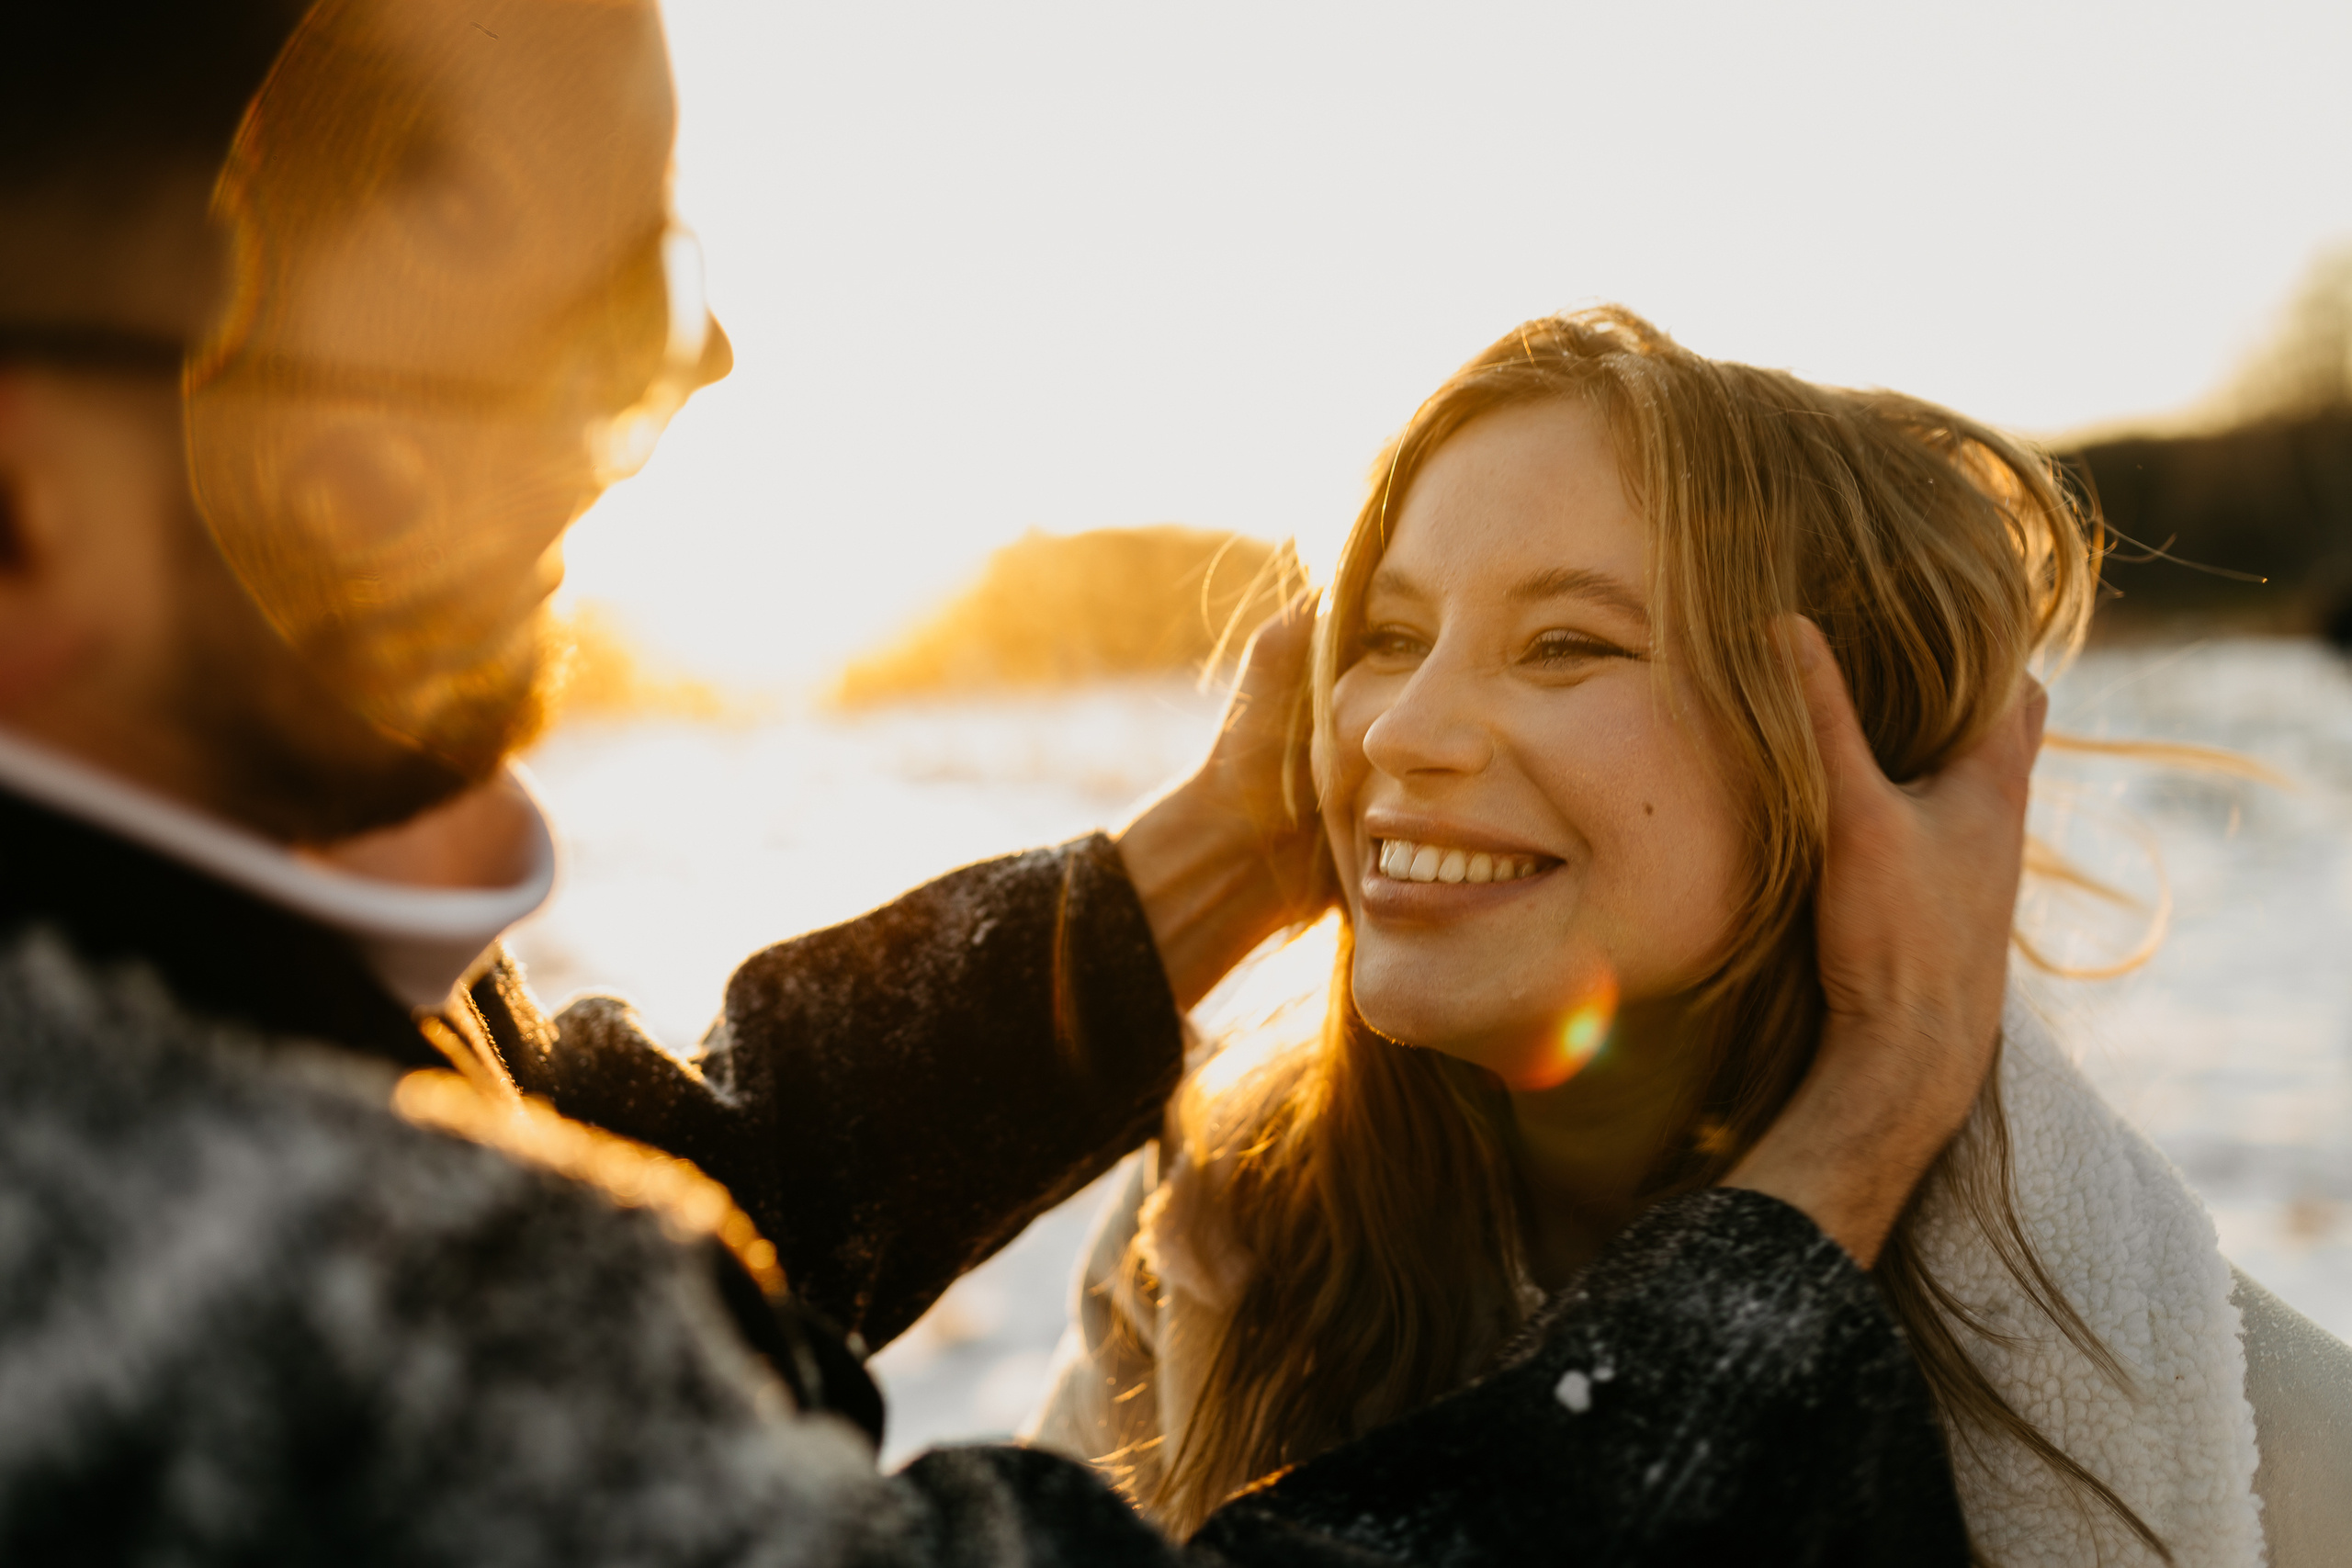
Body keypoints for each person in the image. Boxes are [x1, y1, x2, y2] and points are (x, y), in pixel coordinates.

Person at [0, 4, 2037, 1562]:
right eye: (530, 239)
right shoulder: (191, 1271)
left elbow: (610, 1161)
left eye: (1565, 636)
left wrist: (1225, 843)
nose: (697, 359)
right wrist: (1832, 1169)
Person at [1029, 309, 2352, 1565]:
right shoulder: (1207, 1251)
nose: (1394, 732)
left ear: (1853, 768)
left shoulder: (2266, 1457)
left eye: (1562, 644)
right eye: (1388, 634)